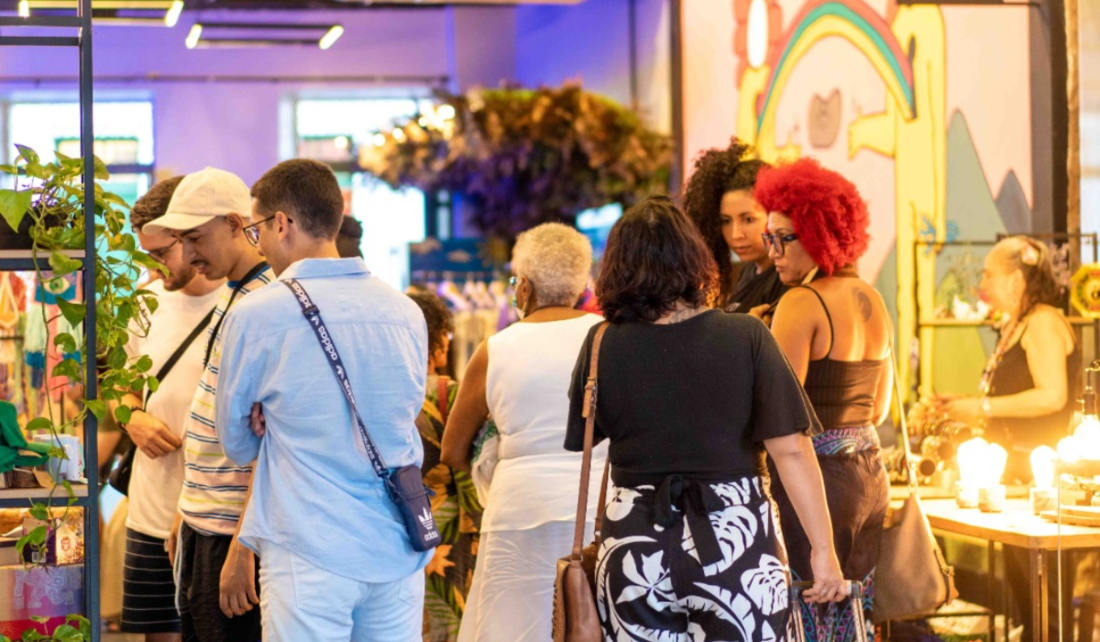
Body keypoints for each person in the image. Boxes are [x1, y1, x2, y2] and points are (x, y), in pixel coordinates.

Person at [563, 195, 846, 641]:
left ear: (616, 266)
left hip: (635, 546)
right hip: (737, 540)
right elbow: (791, 449)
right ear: (695, 259)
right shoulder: (747, 336)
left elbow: (583, 437)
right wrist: (823, 551)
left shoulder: (601, 343)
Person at [217, 159, 431, 642]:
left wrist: (268, 424)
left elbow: (235, 443)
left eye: (257, 230)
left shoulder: (259, 313)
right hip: (396, 542)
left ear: (282, 223)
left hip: (308, 547)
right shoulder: (405, 311)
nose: (261, 244)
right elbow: (404, 413)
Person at [440, 222, 606, 642]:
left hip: (518, 509)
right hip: (599, 508)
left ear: (525, 287)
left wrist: (494, 452)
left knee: (513, 625)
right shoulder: (610, 338)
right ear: (583, 283)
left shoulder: (495, 349)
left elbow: (453, 450)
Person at [754, 158, 891, 642]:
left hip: (819, 479)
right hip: (872, 476)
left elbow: (780, 411)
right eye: (769, 238)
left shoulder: (801, 303)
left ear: (819, 231)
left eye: (783, 238)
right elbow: (881, 410)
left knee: (809, 615)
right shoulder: (872, 297)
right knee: (853, 617)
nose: (773, 252)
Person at [143, 167, 272, 642]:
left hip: (234, 533)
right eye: (182, 240)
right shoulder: (233, 295)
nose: (189, 254)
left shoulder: (266, 303)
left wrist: (244, 542)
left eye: (196, 237)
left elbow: (271, 443)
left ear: (237, 224)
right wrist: (185, 507)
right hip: (202, 520)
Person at [114, 177, 225, 642]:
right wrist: (131, 417)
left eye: (161, 252)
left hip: (218, 516)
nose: (151, 266)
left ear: (192, 235)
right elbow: (122, 383)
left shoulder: (246, 302)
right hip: (151, 509)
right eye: (146, 254)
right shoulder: (144, 302)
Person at [943, 236, 1079, 474]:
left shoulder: (1043, 322)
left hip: (1036, 472)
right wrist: (966, 403)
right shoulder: (1016, 324)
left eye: (989, 275)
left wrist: (982, 407)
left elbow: (1052, 396)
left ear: (1015, 280)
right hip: (1009, 466)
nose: (982, 286)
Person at [409, 290, 482, 642]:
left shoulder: (384, 391)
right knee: (451, 622)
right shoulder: (450, 393)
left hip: (399, 527)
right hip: (450, 532)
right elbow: (469, 473)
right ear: (438, 342)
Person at [681, 138, 781, 316]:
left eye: (748, 219)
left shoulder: (785, 279)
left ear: (775, 213)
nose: (736, 234)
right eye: (726, 221)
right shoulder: (748, 270)